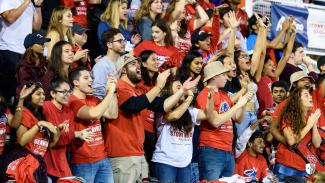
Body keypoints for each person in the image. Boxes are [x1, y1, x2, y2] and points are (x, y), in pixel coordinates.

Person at [104, 53, 199, 182]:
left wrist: (182, 90)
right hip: (122, 154)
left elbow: (162, 106)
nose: (138, 66)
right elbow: (132, 106)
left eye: (138, 63)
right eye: (133, 64)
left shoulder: (138, 90)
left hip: (138, 153)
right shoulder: (119, 86)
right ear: (124, 70)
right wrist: (158, 86)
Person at [196, 61, 252, 181]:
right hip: (211, 149)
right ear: (215, 76)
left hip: (227, 150)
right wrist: (237, 105)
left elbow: (238, 118)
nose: (227, 77)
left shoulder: (224, 94)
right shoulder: (205, 95)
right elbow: (215, 121)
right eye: (223, 74)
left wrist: (243, 102)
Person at [152, 79, 212, 183]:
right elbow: (174, 116)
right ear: (169, 92)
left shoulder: (190, 111)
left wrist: (211, 97)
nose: (184, 89)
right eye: (179, 87)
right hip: (165, 162)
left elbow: (207, 115)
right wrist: (190, 97)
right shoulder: (162, 109)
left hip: (184, 164)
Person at [1, 83, 60, 182]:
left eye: (43, 94)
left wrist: (58, 133)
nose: (43, 96)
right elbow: (22, 141)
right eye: (38, 94)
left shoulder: (41, 115)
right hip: (25, 163)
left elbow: (46, 146)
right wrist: (39, 125)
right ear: (29, 97)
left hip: (37, 162)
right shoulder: (25, 113)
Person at [68, 66, 118, 183]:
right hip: (83, 161)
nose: (91, 80)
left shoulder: (93, 99)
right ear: (76, 83)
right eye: (86, 78)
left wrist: (113, 91)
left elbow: (112, 114)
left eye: (91, 77)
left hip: (102, 158)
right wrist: (110, 92)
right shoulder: (71, 101)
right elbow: (93, 114)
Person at [274, 87, 321, 180]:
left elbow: (317, 144)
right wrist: (309, 125)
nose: (310, 97)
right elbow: (291, 141)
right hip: (288, 166)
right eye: (306, 95)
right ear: (298, 100)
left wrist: (314, 124)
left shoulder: (311, 117)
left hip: (308, 166)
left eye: (310, 95)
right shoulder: (288, 116)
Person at [0, 0, 43, 102]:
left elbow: (36, 26)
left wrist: (37, 6)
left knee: (18, 91)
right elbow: (9, 18)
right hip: (8, 50)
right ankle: (3, 117)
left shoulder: (30, 3)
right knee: (5, 92)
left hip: (23, 52)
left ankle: (15, 114)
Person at [43, 79, 74, 182]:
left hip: (61, 160)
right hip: (45, 160)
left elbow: (69, 138)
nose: (67, 94)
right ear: (53, 93)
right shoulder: (45, 107)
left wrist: (57, 136)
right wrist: (59, 135)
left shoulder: (69, 111)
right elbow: (44, 139)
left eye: (69, 91)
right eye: (64, 91)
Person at [92, 28, 125, 100]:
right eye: (120, 41)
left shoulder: (125, 62)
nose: (123, 44)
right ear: (109, 45)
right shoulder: (101, 66)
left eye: (124, 41)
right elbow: (98, 94)